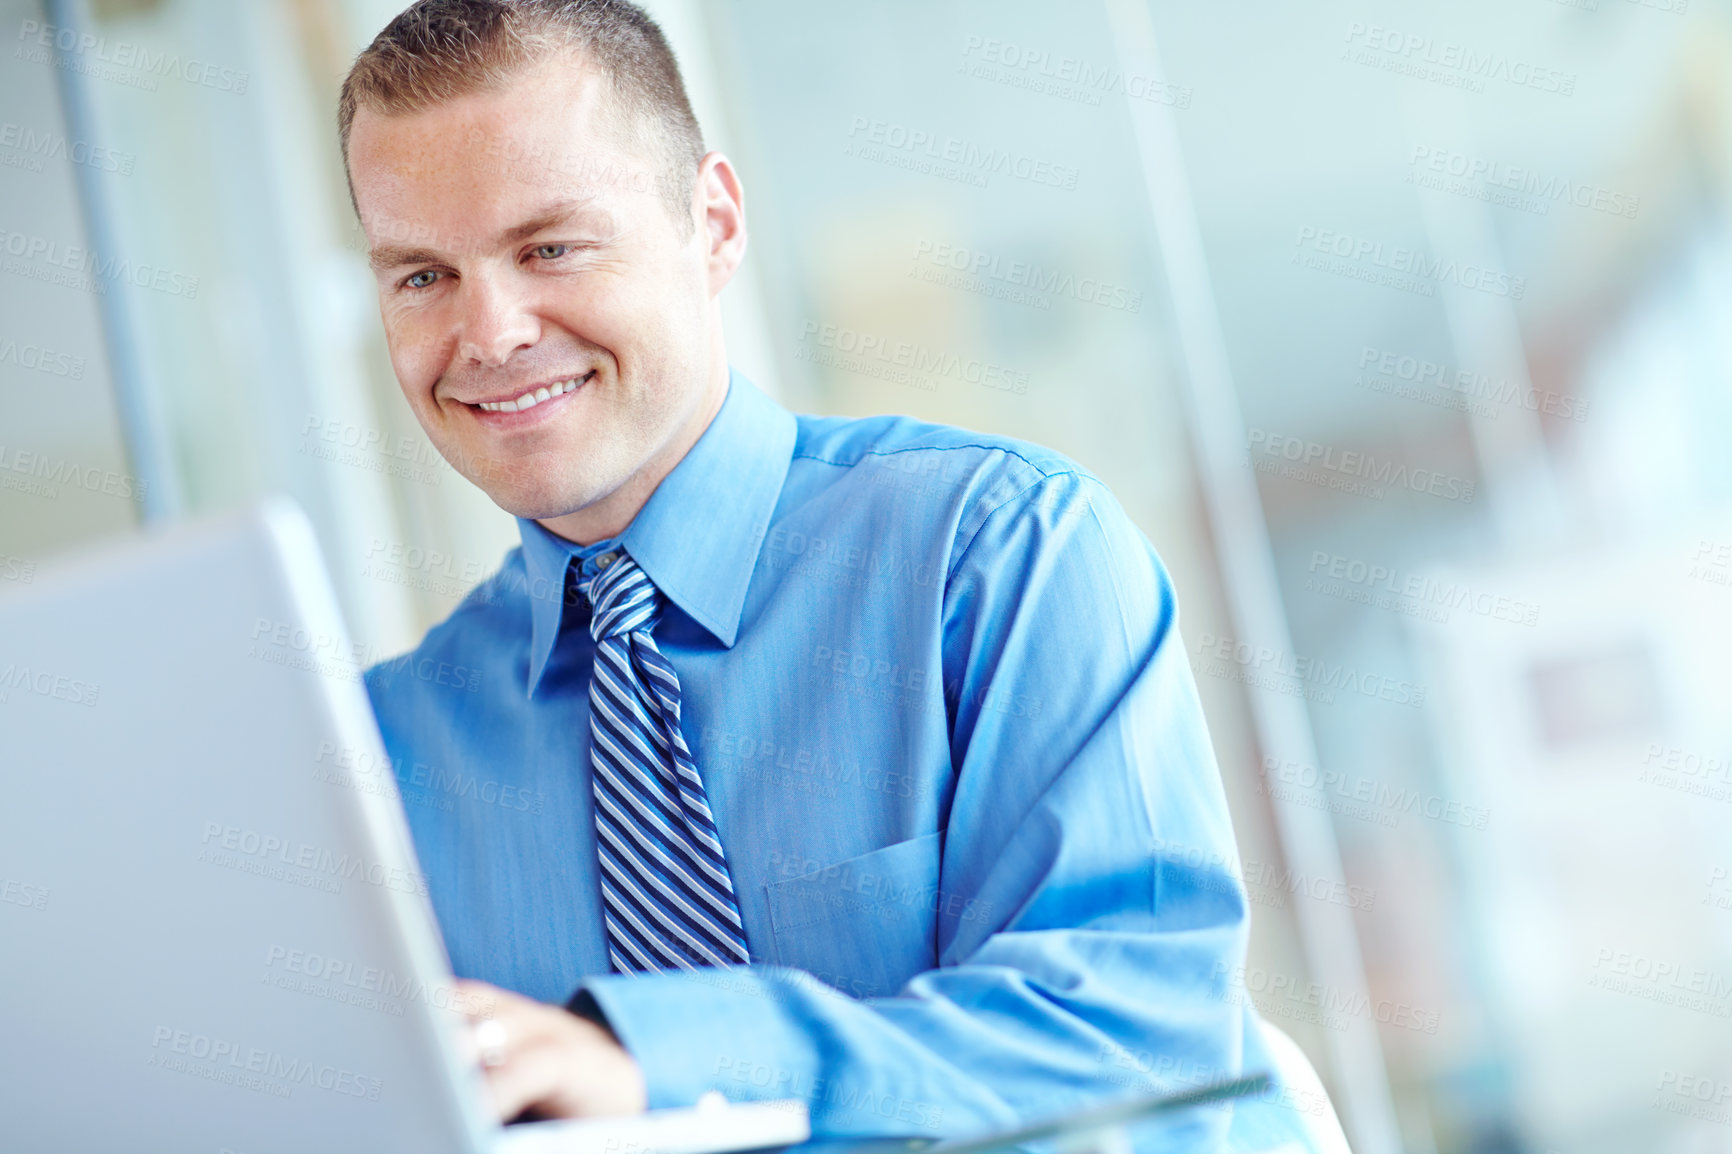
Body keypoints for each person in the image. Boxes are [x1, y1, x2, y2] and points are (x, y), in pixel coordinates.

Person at [343, 1, 1307, 1148]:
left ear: (711, 223)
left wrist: (661, 1065)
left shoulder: (995, 550)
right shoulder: (379, 754)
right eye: (422, 276)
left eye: (549, 246)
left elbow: (1135, 1033)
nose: (489, 331)